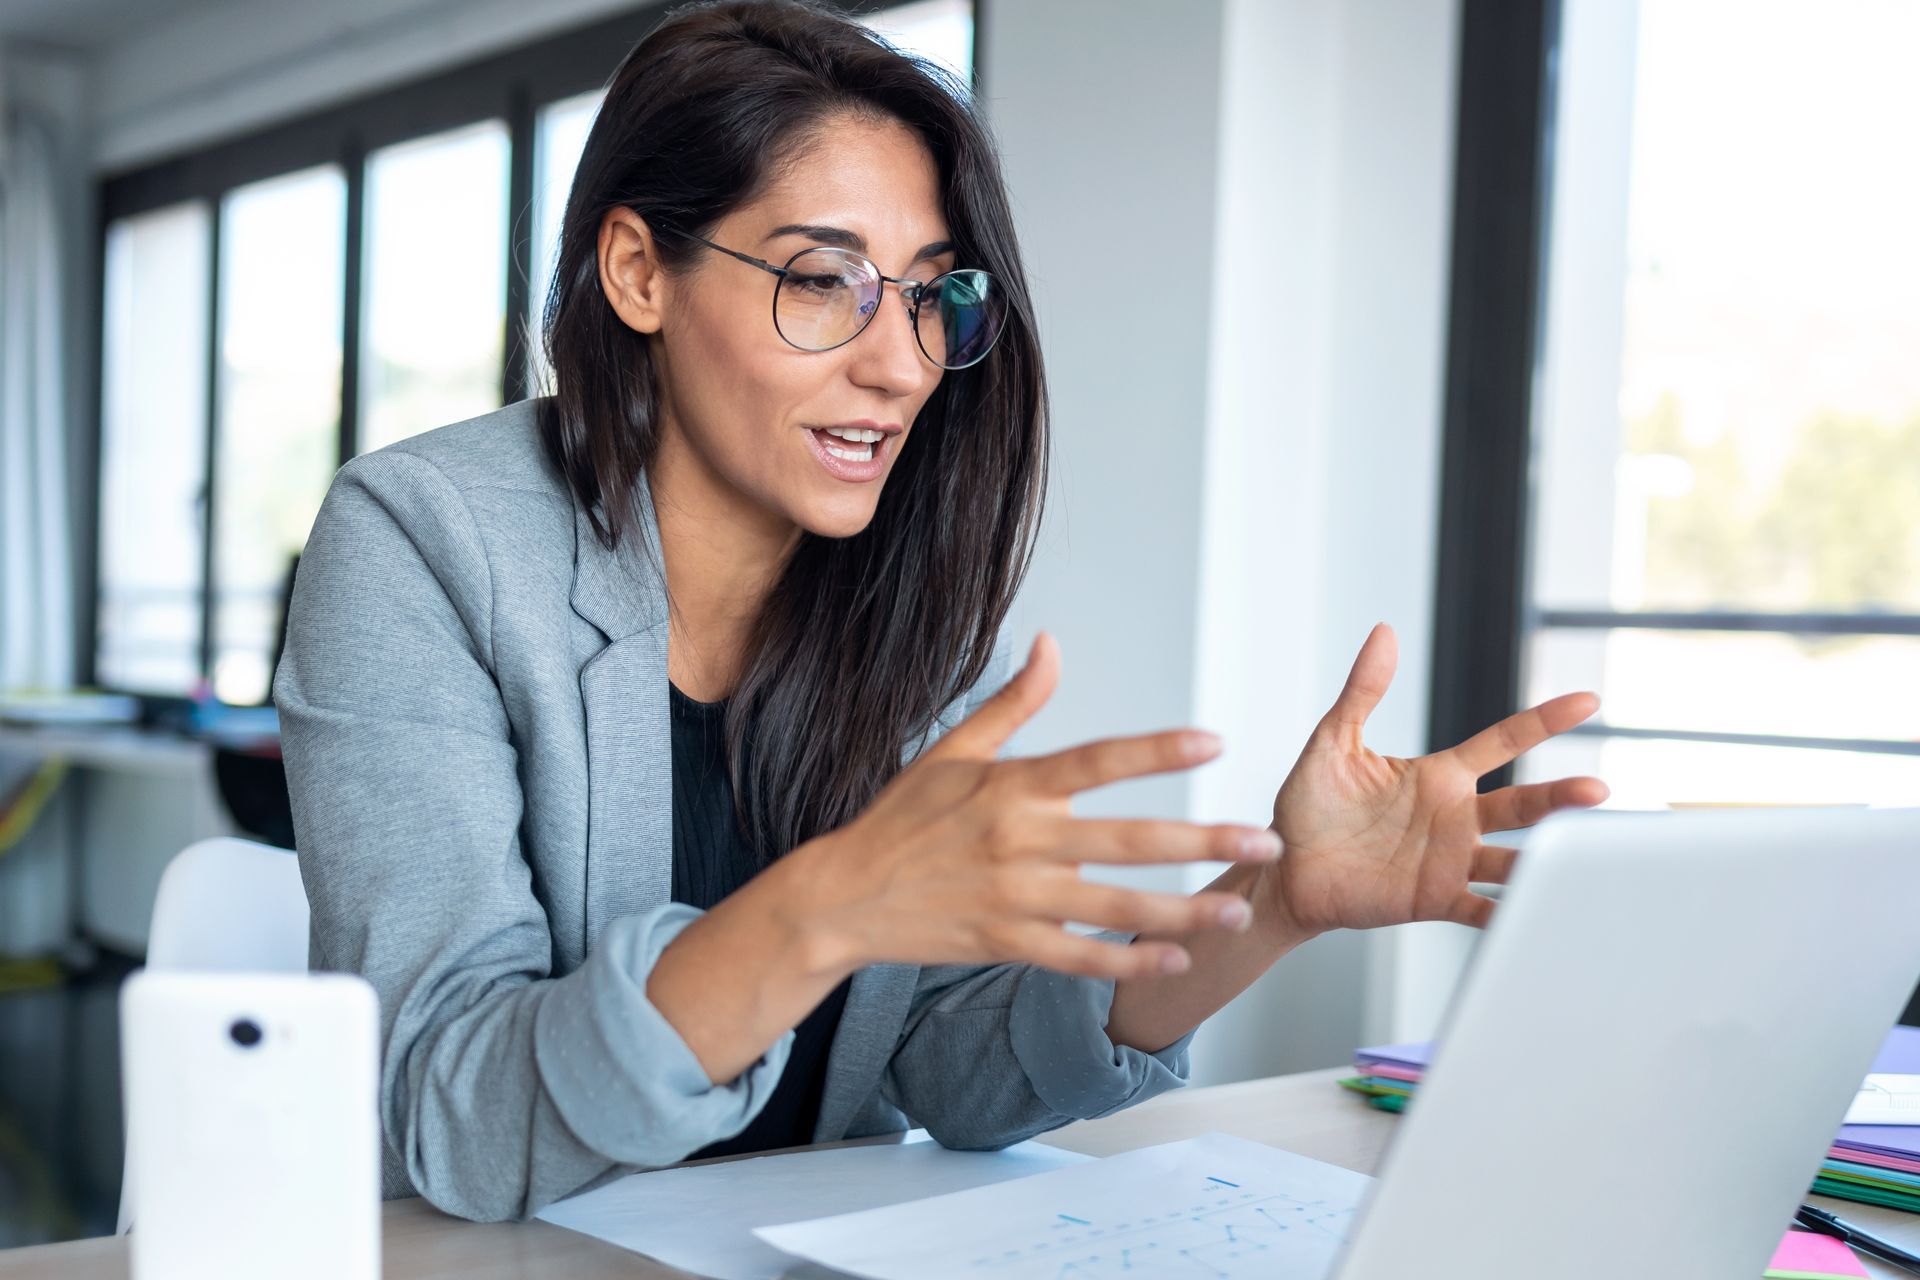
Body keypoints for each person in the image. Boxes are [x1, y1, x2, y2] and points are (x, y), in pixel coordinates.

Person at [273, 0, 1608, 1223]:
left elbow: (948, 1058)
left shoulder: (896, 583)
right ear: (638, 272)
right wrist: (825, 907)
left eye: (931, 294)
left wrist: (1271, 906)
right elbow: (451, 1103)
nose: (902, 363)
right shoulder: (423, 541)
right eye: (821, 279)